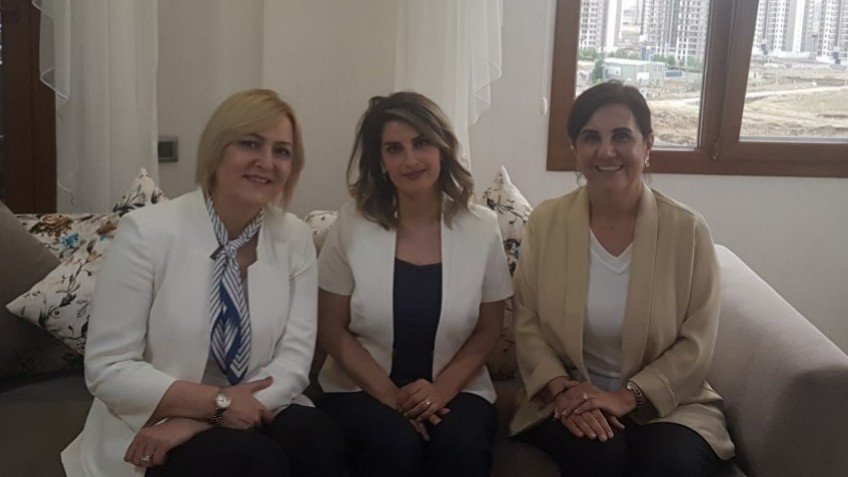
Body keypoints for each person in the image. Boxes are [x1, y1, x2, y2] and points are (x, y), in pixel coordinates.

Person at [61, 89, 344, 477]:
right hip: (158, 415)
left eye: (282, 151)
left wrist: (206, 418)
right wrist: (216, 405)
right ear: (216, 149)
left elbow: (294, 361)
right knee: (250, 461)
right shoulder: (146, 232)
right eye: (250, 144)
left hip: (255, 403)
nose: (266, 162)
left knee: (317, 436)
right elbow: (109, 368)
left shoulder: (294, 237)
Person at [509, 81, 734, 476]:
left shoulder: (687, 230)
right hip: (569, 396)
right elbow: (526, 322)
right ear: (574, 149)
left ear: (647, 146)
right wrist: (564, 392)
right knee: (600, 455)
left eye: (621, 136)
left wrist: (626, 398)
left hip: (670, 405)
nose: (606, 150)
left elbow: (697, 342)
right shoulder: (546, 222)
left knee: (671, 466)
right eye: (591, 137)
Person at [316, 92, 513, 477]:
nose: (410, 160)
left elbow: (490, 328)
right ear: (380, 161)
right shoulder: (351, 224)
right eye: (394, 149)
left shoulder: (482, 228)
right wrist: (391, 397)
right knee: (394, 444)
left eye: (421, 143)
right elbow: (331, 329)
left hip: (457, 389)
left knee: (460, 447)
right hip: (362, 390)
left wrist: (440, 391)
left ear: (442, 148)